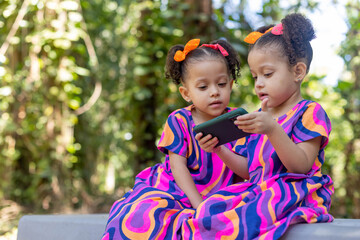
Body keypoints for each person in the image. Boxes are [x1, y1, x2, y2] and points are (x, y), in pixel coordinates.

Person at [190, 13, 334, 239]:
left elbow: (301, 166)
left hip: (295, 191)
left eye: (267, 74)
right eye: (255, 76)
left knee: (255, 211)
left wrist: (272, 129)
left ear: (298, 71)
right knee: (210, 208)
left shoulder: (310, 112)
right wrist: (220, 149)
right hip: (259, 190)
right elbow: (250, 169)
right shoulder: (258, 117)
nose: (259, 84)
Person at [101, 38, 241, 240]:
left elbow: (246, 167)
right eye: (203, 87)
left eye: (221, 84)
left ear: (230, 84)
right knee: (142, 215)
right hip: (175, 188)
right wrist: (199, 205)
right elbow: (178, 168)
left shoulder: (238, 119)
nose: (214, 92)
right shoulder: (179, 120)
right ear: (186, 93)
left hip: (220, 192)